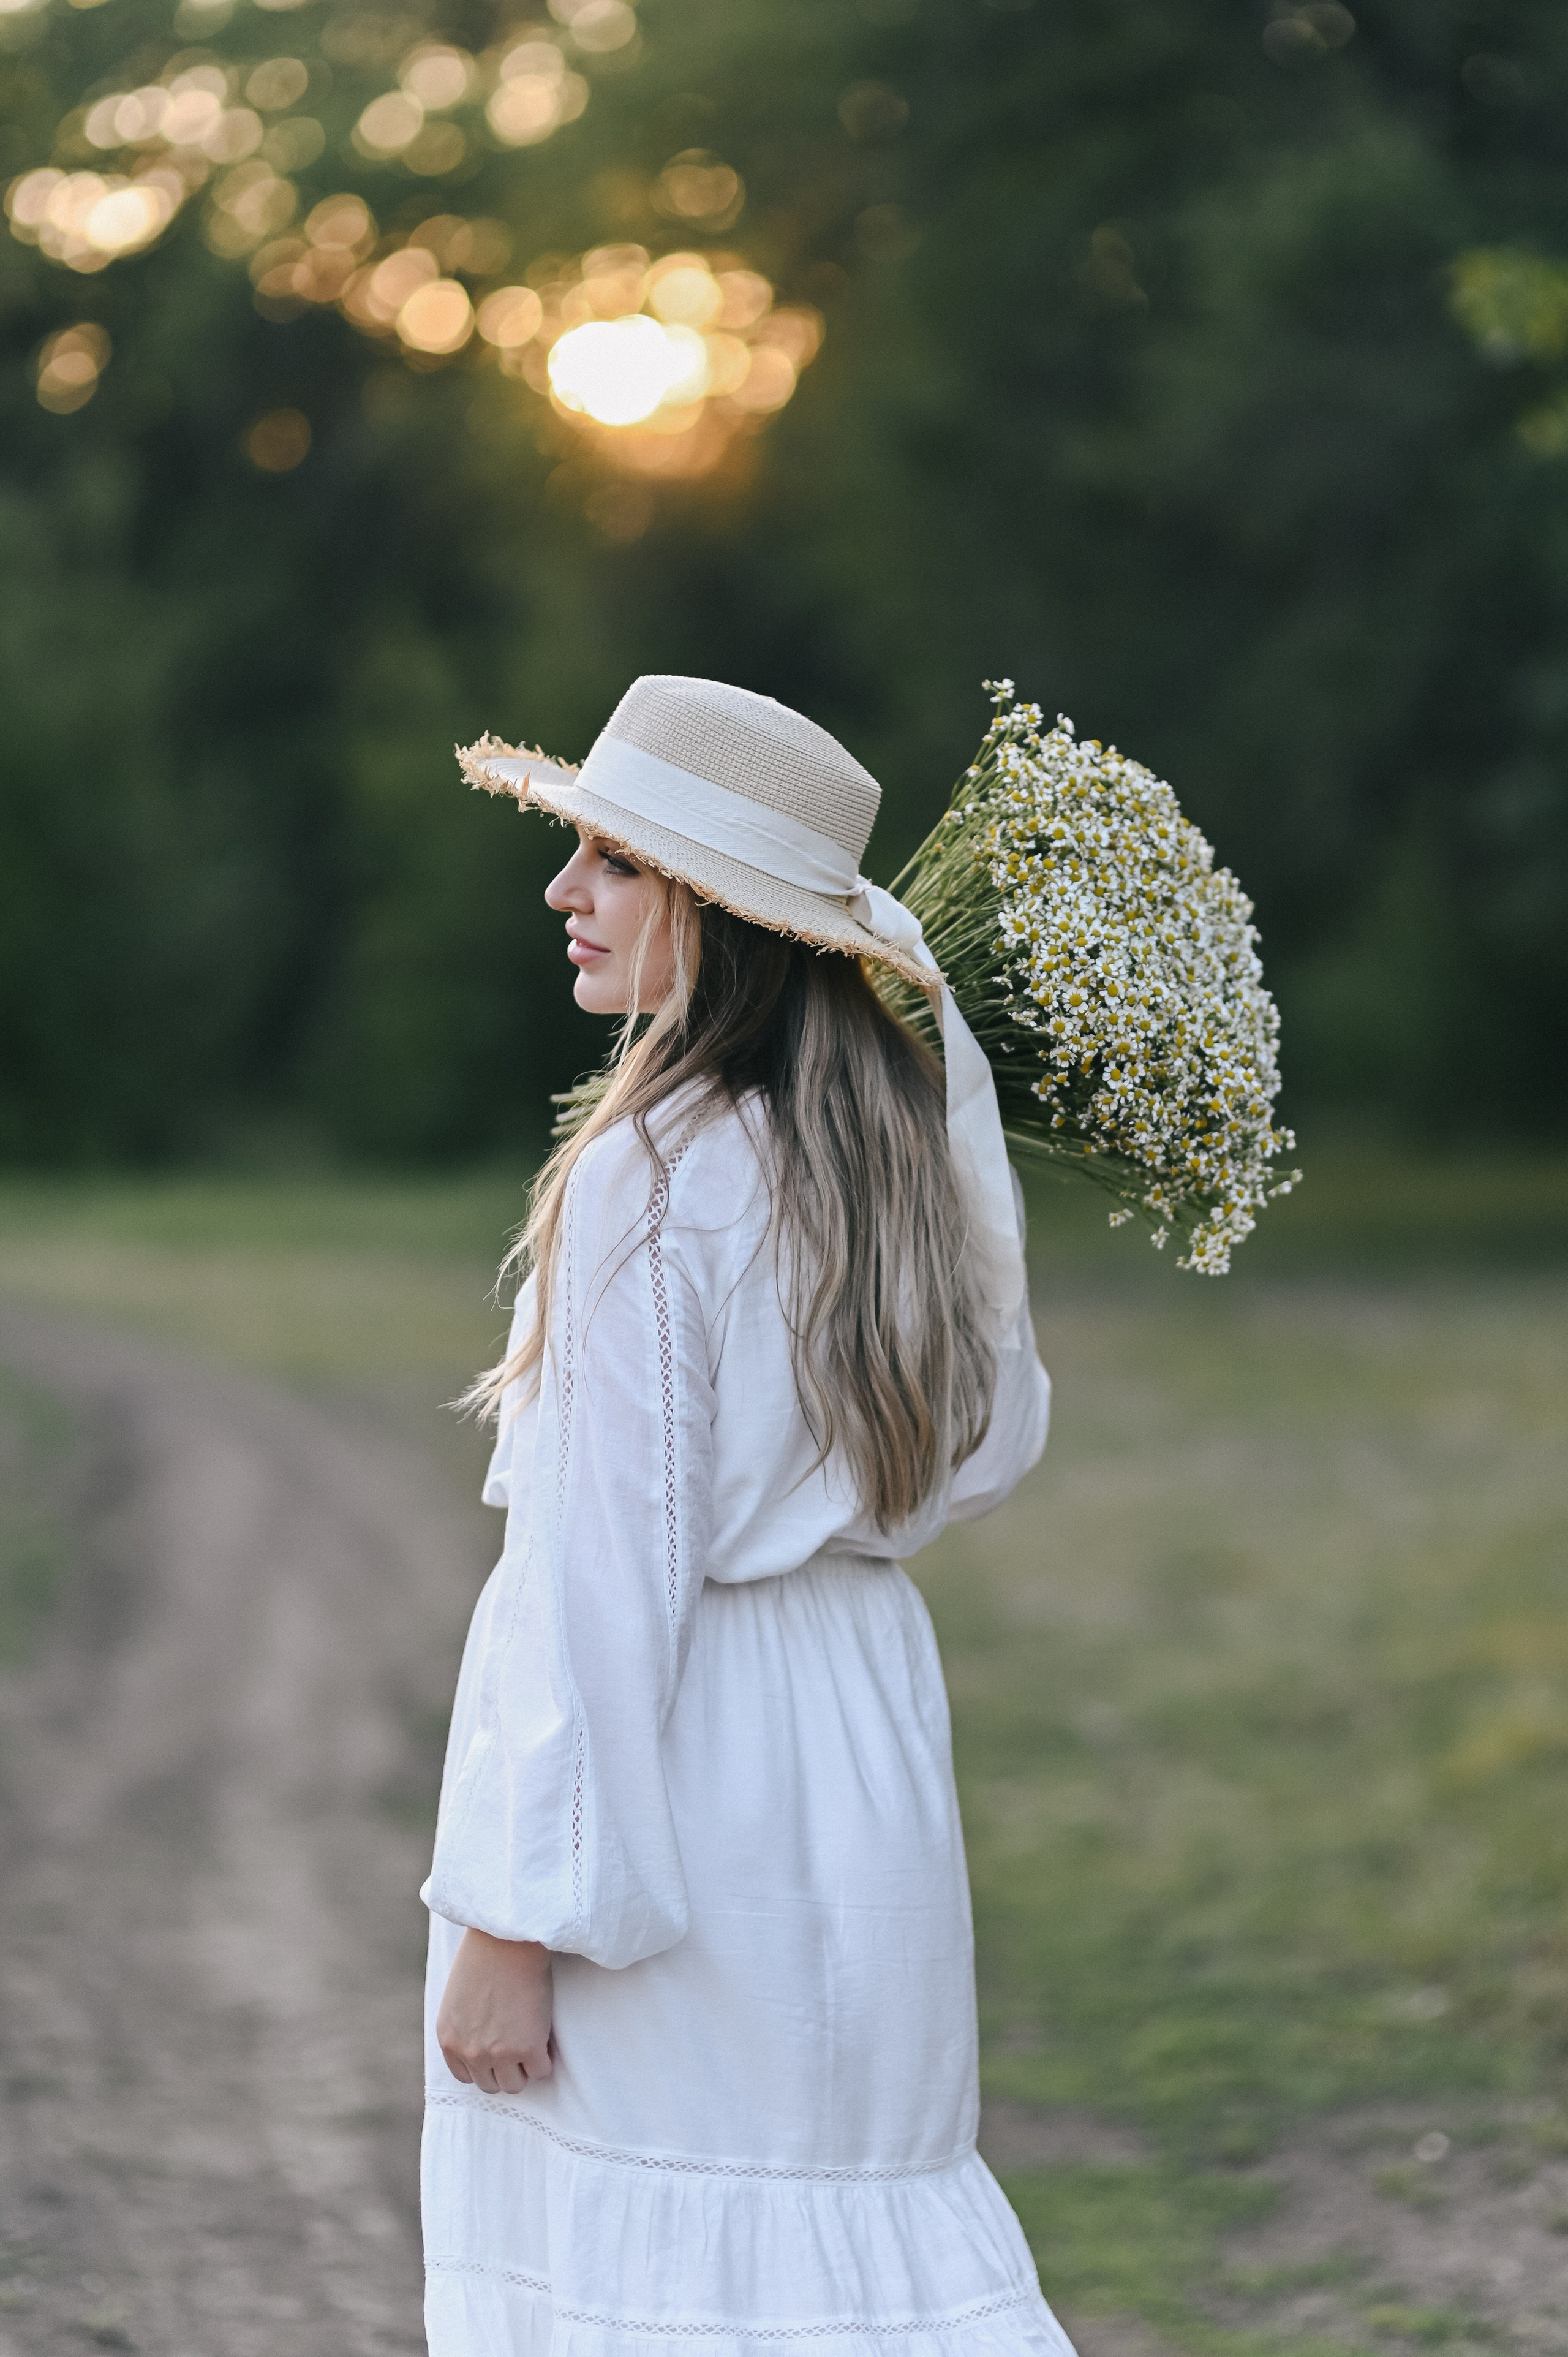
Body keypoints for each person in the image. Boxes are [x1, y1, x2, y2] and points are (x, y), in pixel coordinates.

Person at [422, 676, 1073, 2357]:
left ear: (715, 911)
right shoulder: (895, 1161)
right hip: (856, 1760)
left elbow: (604, 1586)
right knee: (846, 2241)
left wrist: (516, 1918)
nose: (564, 892)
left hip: (691, 1777)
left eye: (612, 862)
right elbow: (984, 1456)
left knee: (664, 2267)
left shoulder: (653, 1173)